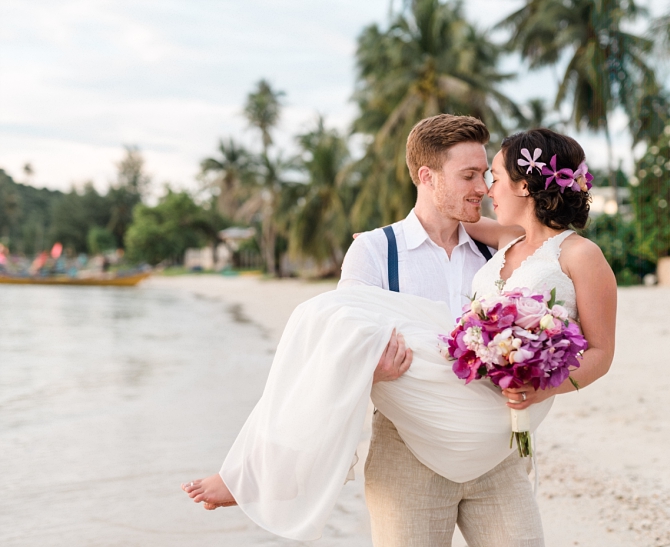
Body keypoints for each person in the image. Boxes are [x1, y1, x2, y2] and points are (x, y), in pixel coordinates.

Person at [182, 120, 616, 546]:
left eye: (487, 175)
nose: (483, 187)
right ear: (427, 177)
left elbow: (586, 326)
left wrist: (541, 383)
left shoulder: (500, 243)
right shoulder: (375, 249)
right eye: (470, 175)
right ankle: (257, 472)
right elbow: (344, 352)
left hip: (496, 447)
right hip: (409, 449)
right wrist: (374, 368)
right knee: (330, 321)